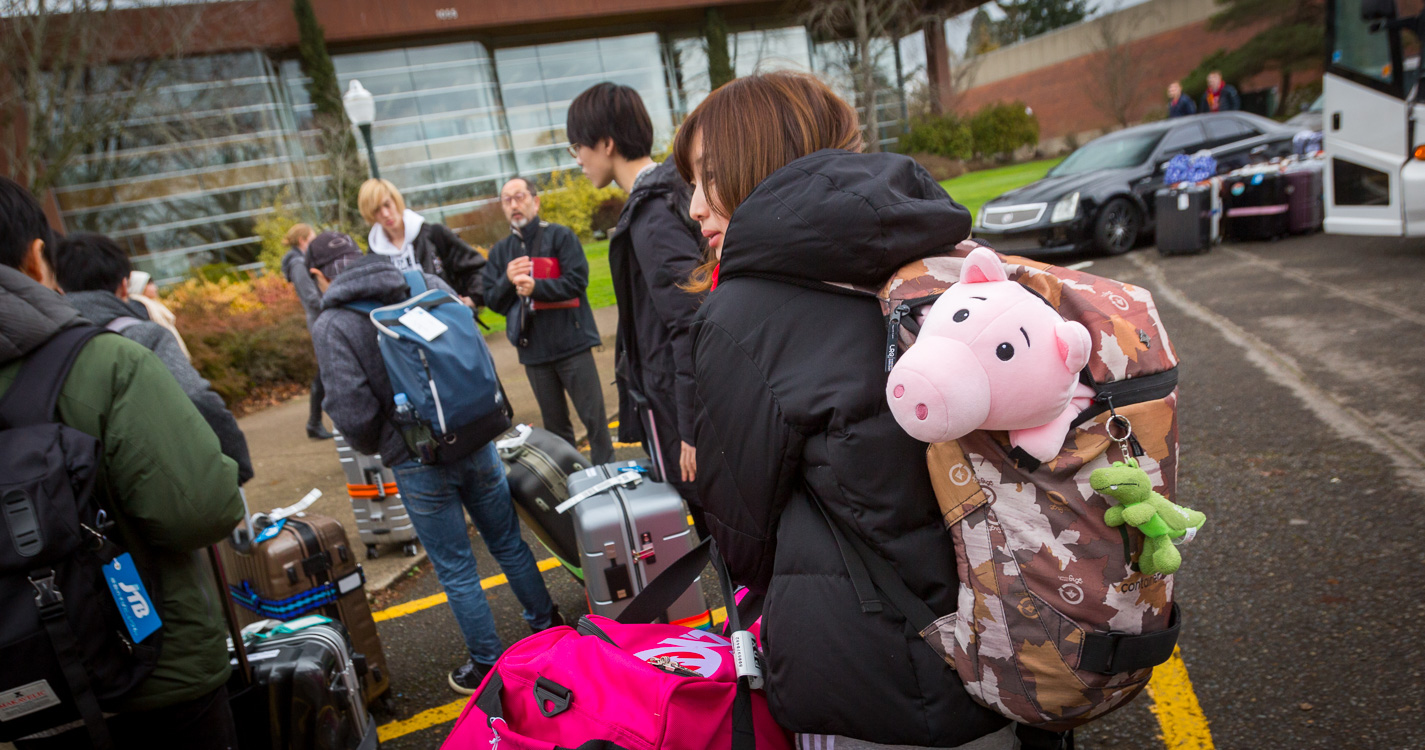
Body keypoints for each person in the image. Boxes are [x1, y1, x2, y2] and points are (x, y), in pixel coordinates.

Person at [673, 72, 1015, 748]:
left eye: (708, 175)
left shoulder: (743, 315)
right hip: (1012, 632)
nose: (692, 206)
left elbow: (741, 539)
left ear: (759, 165)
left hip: (875, 672)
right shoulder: (939, 257)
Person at [0, 176, 245, 748]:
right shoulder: (104, 362)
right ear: (37, 258)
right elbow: (202, 509)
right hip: (152, 671)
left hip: (23, 678)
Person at [304, 230, 562, 695]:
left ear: (319, 275)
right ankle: (548, 627)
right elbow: (472, 354)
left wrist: (385, 444)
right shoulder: (422, 280)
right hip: (475, 436)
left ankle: (487, 663)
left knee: (457, 568)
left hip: (415, 459)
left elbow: (353, 411)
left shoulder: (332, 325)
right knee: (506, 542)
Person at [567, 82, 705, 521]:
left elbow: (690, 321)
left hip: (681, 415)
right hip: (679, 404)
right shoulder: (670, 194)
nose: (577, 160)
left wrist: (690, 429)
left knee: (718, 534)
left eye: (578, 147)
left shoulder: (652, 217)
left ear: (607, 144)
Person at [53, 232, 255, 486]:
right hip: (156, 488)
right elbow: (197, 399)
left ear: (59, 286)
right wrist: (237, 465)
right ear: (124, 285)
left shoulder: (46, 341)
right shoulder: (143, 335)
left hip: (81, 497)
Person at [482, 177, 614, 464]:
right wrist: (507, 279)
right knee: (556, 433)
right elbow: (492, 300)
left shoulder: (560, 236)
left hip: (572, 344)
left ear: (535, 201)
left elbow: (577, 282)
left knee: (595, 424)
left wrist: (537, 287)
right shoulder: (501, 252)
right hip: (535, 354)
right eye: (507, 200)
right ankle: (572, 490)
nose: (514, 205)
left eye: (520, 197)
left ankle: (609, 485)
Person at [359, 178, 488, 310]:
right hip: (402, 326)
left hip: (446, 317)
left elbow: (476, 266)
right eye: (376, 210)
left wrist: (474, 298)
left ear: (396, 201)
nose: (385, 214)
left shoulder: (433, 235)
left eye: (387, 204)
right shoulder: (374, 255)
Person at [281, 223, 334, 439]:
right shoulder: (298, 264)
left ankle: (315, 423)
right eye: (312, 238)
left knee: (325, 371)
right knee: (325, 372)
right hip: (320, 320)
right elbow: (311, 298)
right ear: (302, 240)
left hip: (321, 319)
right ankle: (314, 423)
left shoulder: (302, 262)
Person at [125, 268, 192, 360]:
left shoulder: (150, 304)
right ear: (139, 285)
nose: (154, 287)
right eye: (149, 283)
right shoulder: (139, 306)